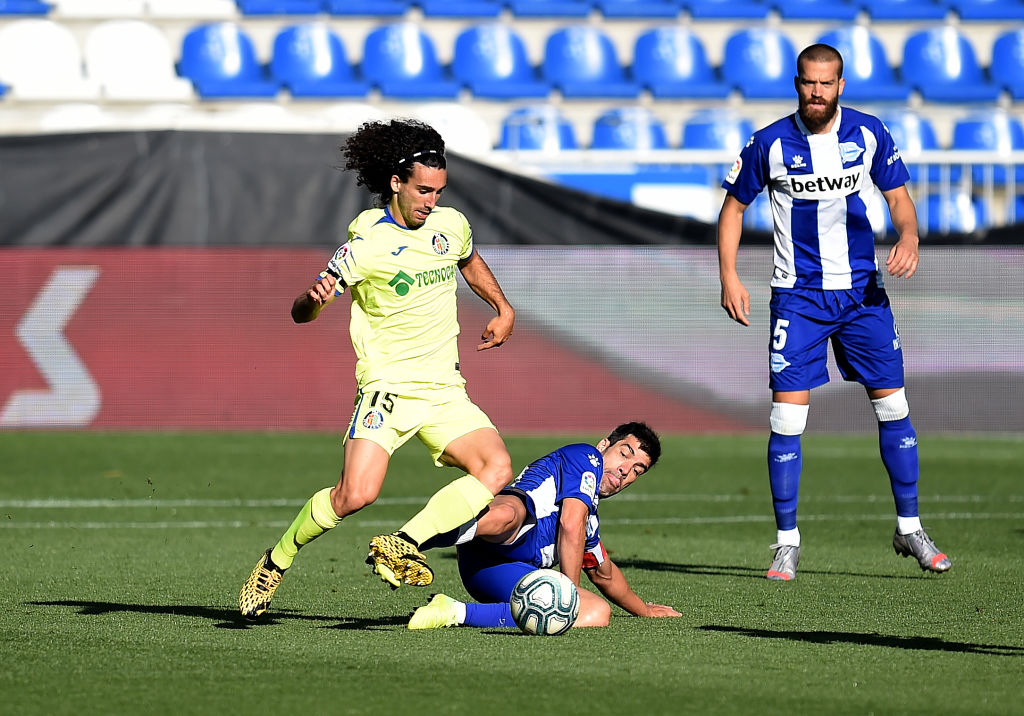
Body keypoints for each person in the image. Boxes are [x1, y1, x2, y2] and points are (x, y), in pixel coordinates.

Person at [239, 119, 516, 619]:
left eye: (439, 191)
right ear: (396, 183)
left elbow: (468, 259)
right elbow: (301, 310)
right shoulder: (365, 244)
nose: (431, 201)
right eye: (423, 190)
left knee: (496, 467)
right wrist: (314, 299)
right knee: (354, 495)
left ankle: (403, 541)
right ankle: (274, 562)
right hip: (387, 388)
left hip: (444, 389)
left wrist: (502, 307)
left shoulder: (449, 225)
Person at [716, 44, 951, 581]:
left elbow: (898, 199)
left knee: (894, 409)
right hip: (798, 298)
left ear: (840, 85)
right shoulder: (768, 143)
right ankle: (785, 543)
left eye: (826, 83)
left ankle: (910, 527)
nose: (816, 92)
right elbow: (732, 209)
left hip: (862, 296)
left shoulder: (869, 133)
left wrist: (910, 234)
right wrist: (729, 275)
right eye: (808, 83)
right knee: (788, 417)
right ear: (796, 83)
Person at [406, 422, 682, 630]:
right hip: (491, 534)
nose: (626, 469)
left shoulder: (590, 522)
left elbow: (603, 573)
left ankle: (453, 611)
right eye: (625, 453)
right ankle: (408, 541)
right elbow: (570, 524)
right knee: (510, 515)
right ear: (603, 446)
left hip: (491, 575)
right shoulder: (586, 457)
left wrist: (643, 610)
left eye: (637, 469)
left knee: (597, 613)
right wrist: (567, 595)